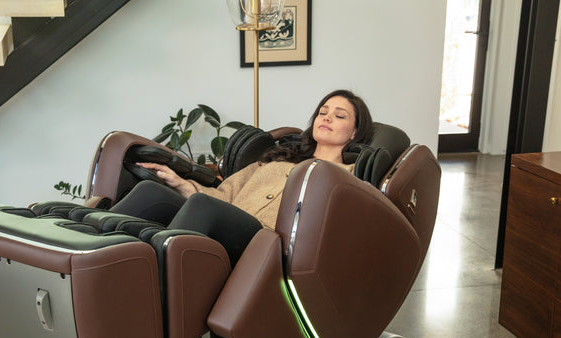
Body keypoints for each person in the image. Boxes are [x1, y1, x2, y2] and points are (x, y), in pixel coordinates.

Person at [111, 89, 373, 264]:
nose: (327, 118)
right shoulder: (277, 159)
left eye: (339, 116)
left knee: (202, 205)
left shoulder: (347, 178)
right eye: (322, 112)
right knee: (151, 191)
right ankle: (99, 243)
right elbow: (223, 196)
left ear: (354, 132)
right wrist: (179, 183)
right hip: (224, 221)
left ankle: (154, 271)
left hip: (266, 241)